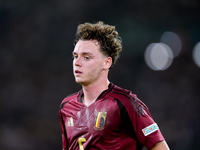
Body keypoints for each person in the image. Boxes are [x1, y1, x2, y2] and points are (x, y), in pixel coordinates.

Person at [59, 21, 170, 150]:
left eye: (86, 57)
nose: (77, 62)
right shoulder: (66, 107)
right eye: (75, 56)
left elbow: (160, 147)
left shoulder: (124, 103)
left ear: (106, 63)